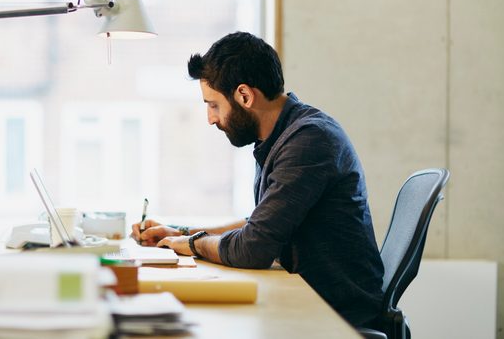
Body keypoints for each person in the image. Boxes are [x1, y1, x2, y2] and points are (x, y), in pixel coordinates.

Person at [131, 31, 384, 328]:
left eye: (213, 105)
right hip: (310, 301)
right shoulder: (281, 137)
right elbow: (260, 224)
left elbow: (253, 248)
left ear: (244, 96)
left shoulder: (309, 140)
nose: (210, 119)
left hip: (336, 316)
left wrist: (191, 243)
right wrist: (180, 232)